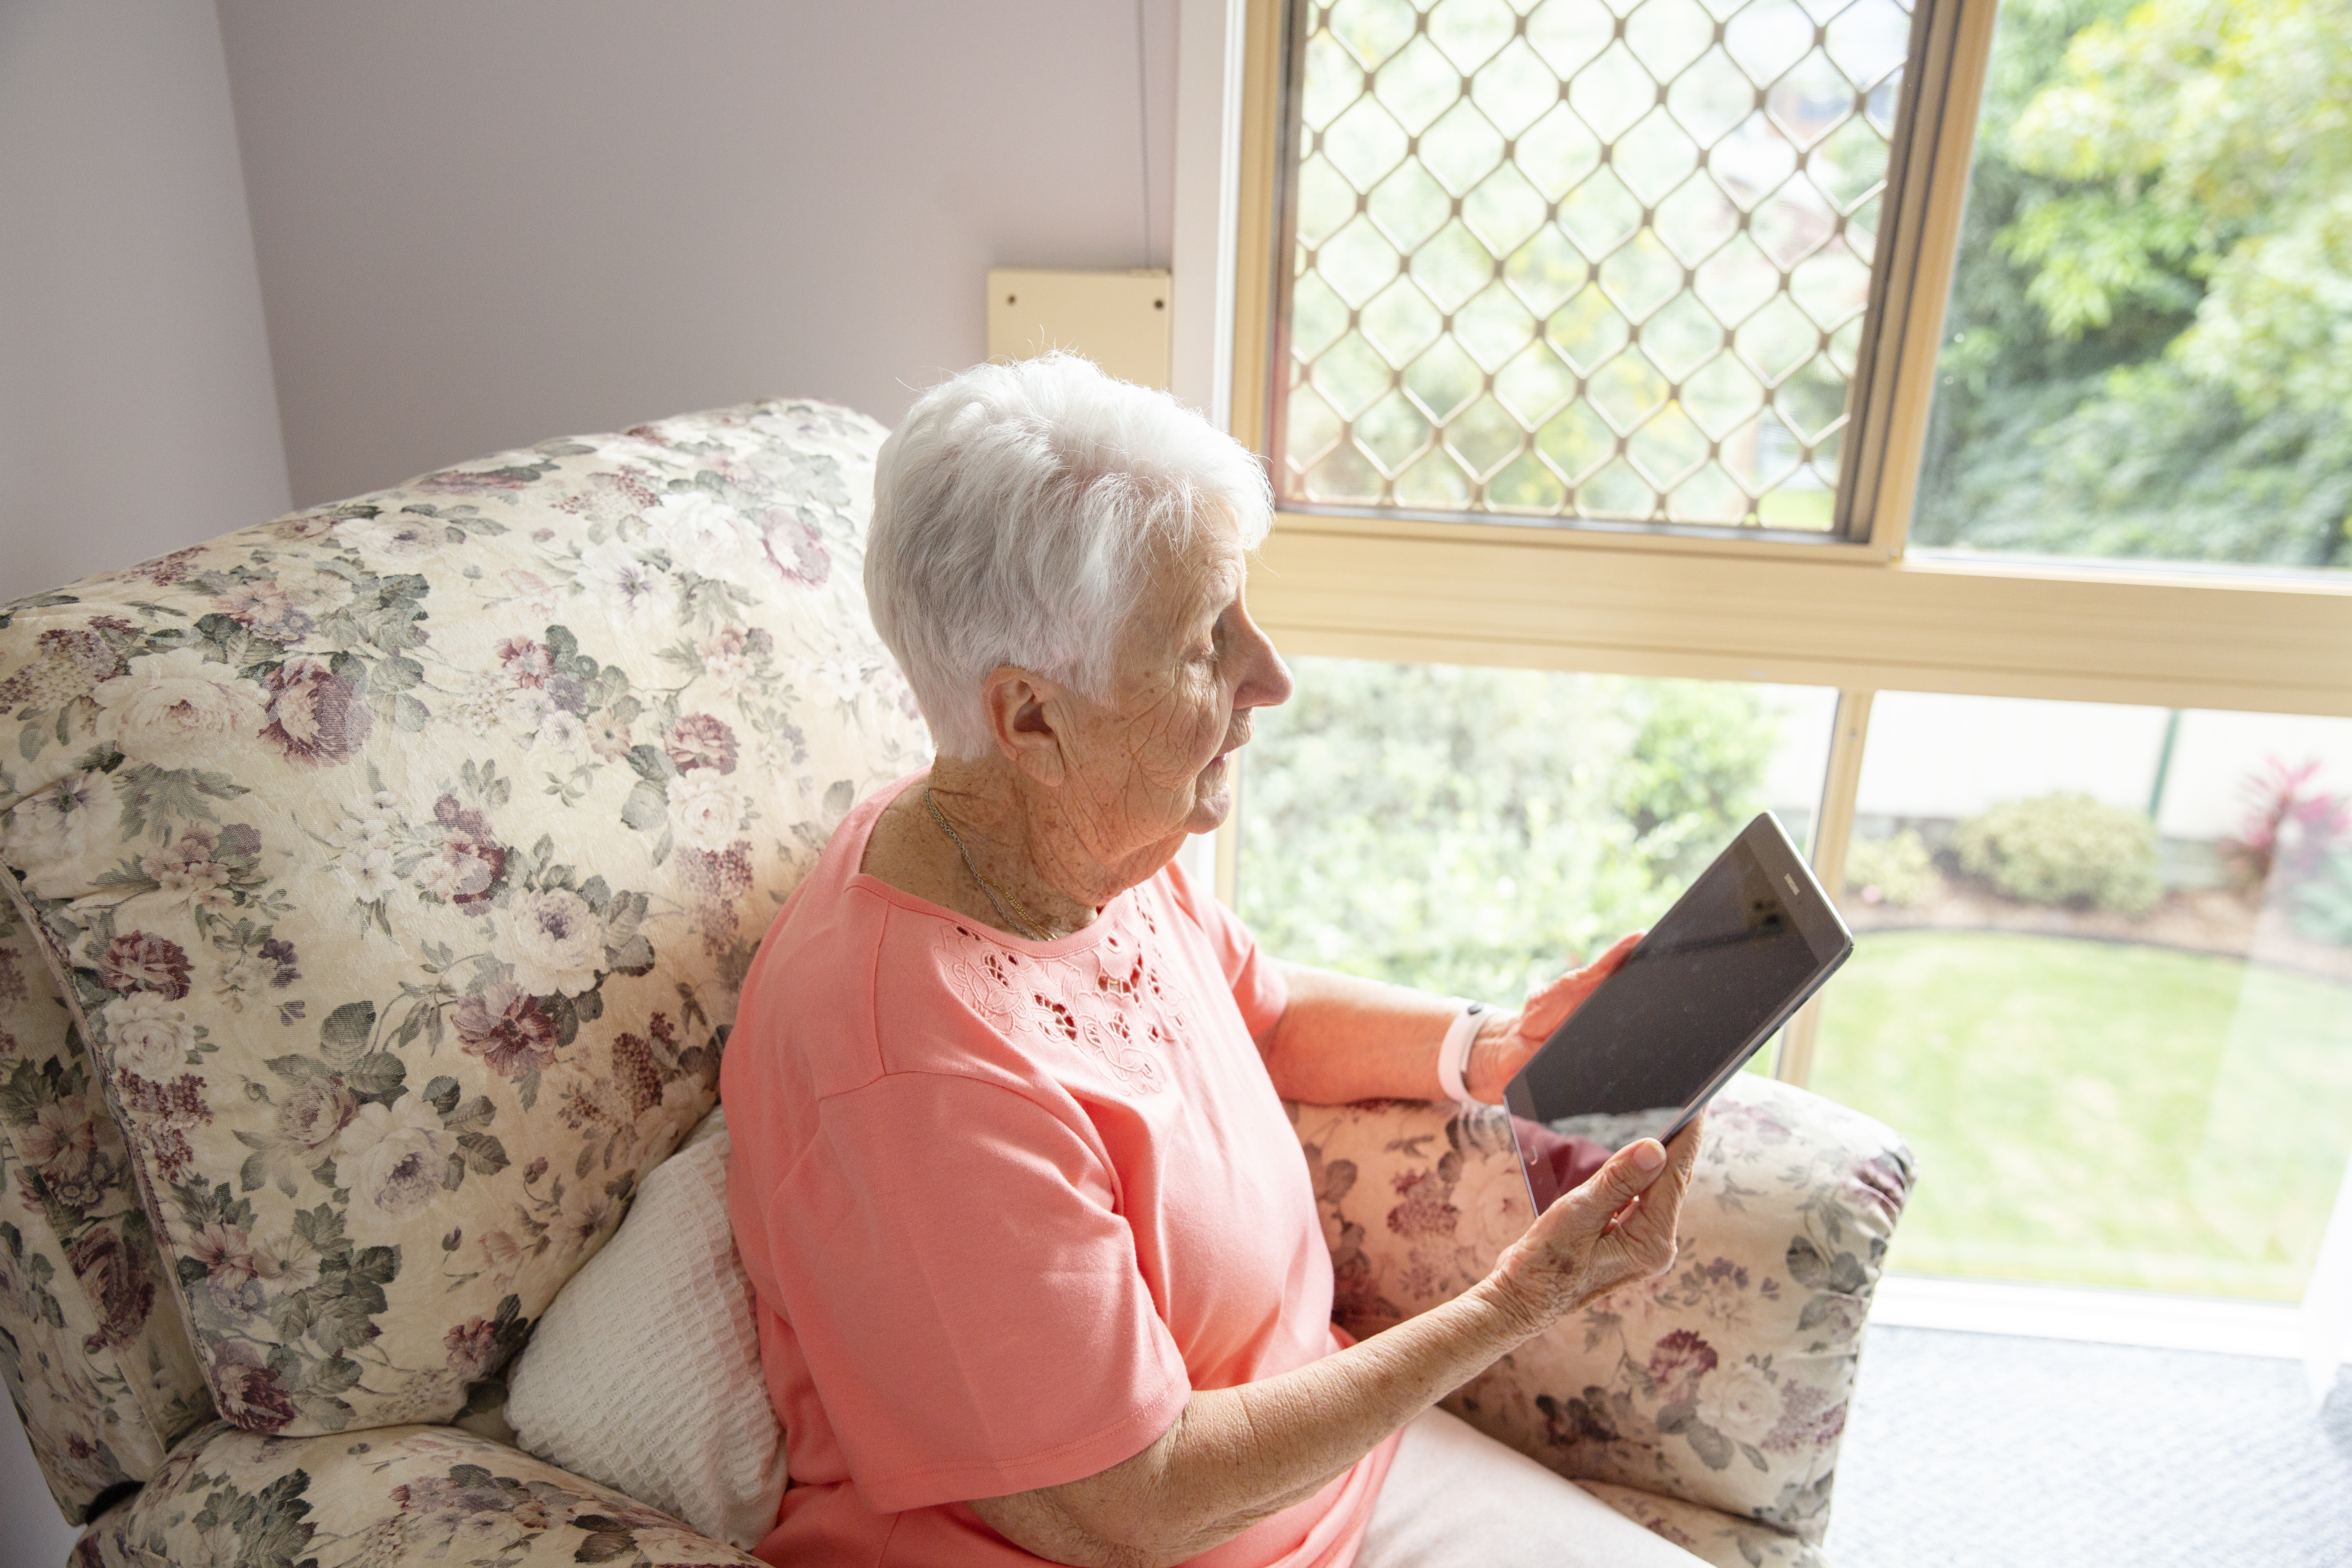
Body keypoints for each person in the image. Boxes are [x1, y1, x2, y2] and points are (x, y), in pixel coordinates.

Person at [722, 355, 1705, 1568]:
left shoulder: (1071, 842)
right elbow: (1134, 1503)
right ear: (1031, 717)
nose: (1272, 676)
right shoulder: (918, 1077)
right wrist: (1516, 1303)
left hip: (1330, 1476)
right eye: (1205, 642)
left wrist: (1489, 1048)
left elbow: (1269, 1011)